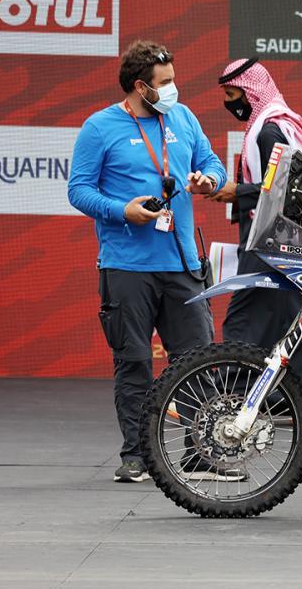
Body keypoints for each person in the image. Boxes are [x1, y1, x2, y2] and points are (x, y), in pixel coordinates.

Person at [68, 40, 228, 483]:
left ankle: (202, 454)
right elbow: (78, 190)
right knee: (134, 363)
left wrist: (208, 180)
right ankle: (136, 456)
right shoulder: (100, 127)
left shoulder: (184, 117)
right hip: (126, 266)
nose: (174, 88)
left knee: (196, 361)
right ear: (141, 87)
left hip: (182, 263)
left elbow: (212, 163)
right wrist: (123, 210)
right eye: (166, 82)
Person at [205, 57, 302, 427]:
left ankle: (229, 398)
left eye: (232, 94)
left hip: (274, 235)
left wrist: (237, 192)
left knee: (244, 318)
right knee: (293, 313)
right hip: (288, 235)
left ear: (250, 91)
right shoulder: (276, 122)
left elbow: (287, 186)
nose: (229, 102)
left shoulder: (268, 130)